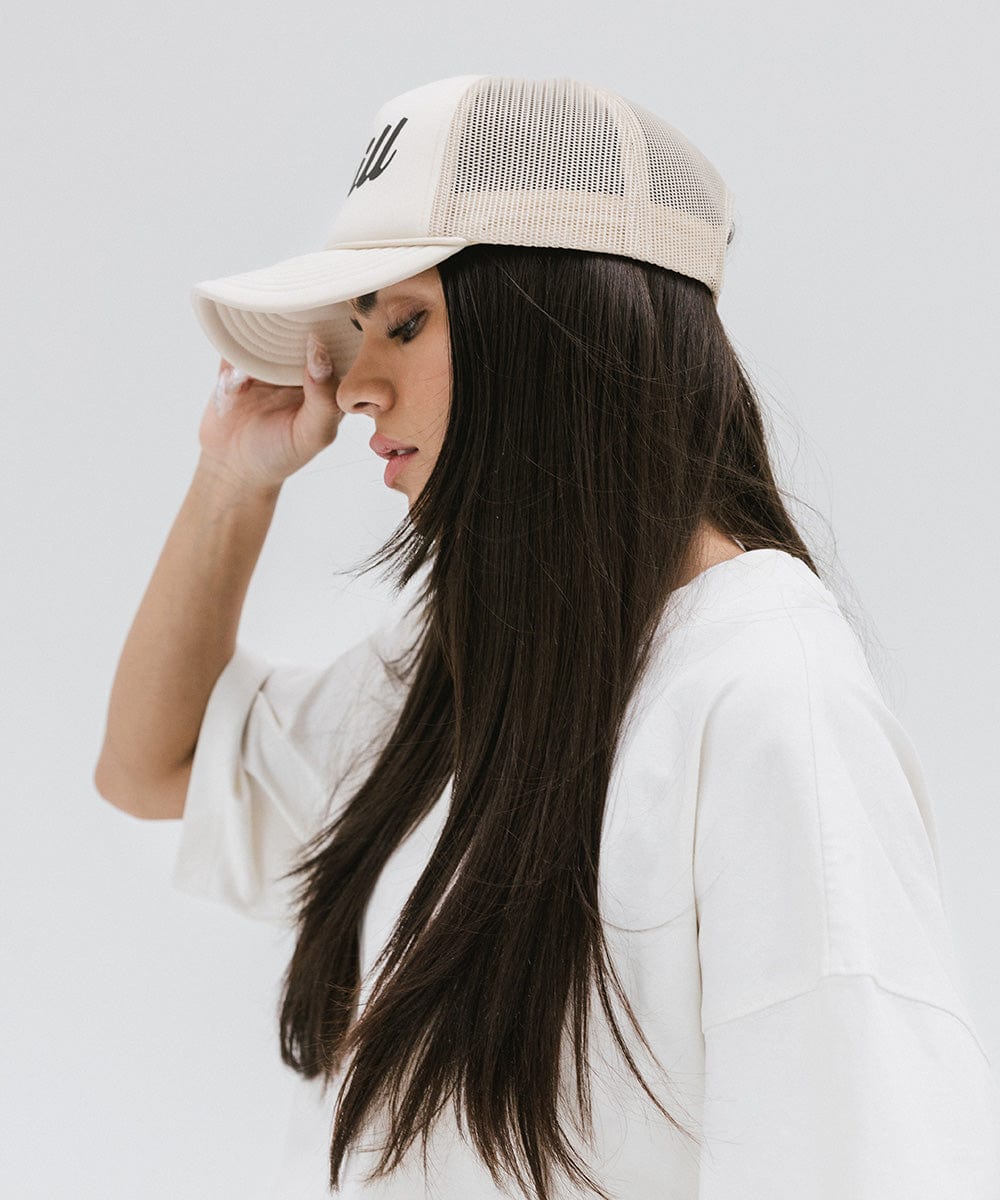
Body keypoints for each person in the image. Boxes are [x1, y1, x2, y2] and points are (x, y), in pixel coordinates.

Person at [93, 74, 1000, 1200]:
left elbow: (857, 1164)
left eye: (405, 322)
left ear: (554, 324)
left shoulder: (770, 703)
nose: (356, 385)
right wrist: (235, 476)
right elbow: (155, 764)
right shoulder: (471, 674)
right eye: (357, 329)